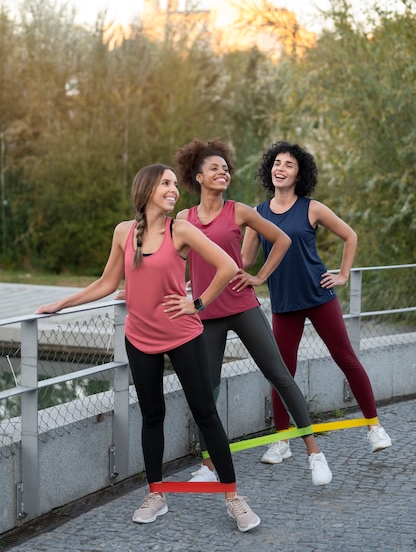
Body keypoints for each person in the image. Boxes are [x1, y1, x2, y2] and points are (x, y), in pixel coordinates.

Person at [36, 163, 261, 533]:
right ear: (146, 190)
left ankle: (233, 497)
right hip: (139, 338)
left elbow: (226, 266)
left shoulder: (181, 229)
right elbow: (108, 282)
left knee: (206, 413)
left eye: (175, 183)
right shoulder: (124, 232)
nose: (174, 189)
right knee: (152, 415)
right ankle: (156, 494)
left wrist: (197, 304)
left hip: (183, 334)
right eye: (166, 184)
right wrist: (62, 304)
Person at [174, 139, 332, 487]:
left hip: (243, 308)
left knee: (280, 375)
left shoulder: (240, 211)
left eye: (225, 168)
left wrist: (260, 276)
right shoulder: (184, 219)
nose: (222, 172)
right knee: (208, 391)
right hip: (207, 317)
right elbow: (174, 261)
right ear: (198, 176)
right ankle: (208, 467)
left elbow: (283, 240)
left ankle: (314, 454)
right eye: (214, 168)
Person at [241, 141, 392, 465]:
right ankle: (282, 441)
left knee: (346, 358)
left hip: (319, 297)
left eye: (289, 165)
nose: (280, 168)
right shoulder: (258, 214)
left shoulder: (311, 208)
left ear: (299, 174)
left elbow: (350, 236)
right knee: (282, 372)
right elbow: (244, 260)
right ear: (270, 169)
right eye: (277, 163)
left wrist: (343, 275)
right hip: (284, 302)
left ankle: (374, 427)